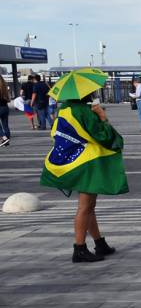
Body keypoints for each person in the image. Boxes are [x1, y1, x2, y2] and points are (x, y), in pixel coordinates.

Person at [39, 91, 128, 262]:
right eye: (92, 91)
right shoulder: (85, 112)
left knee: (89, 206)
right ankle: (79, 249)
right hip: (87, 164)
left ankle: (99, 243)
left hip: (73, 162)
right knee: (85, 206)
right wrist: (102, 116)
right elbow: (105, 136)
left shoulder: (64, 109)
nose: (94, 93)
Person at [0, 77, 10, 146]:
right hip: (5, 107)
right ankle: (6, 140)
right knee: (5, 125)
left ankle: (4, 138)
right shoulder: (5, 87)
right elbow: (8, 99)